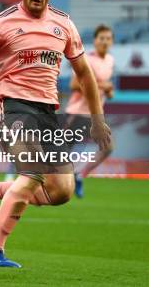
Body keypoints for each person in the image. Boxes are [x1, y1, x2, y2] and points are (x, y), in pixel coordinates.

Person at [0, 0, 111, 268]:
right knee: (32, 173)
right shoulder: (2, 22)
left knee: (62, 191)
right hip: (11, 106)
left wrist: (97, 120)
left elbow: (85, 75)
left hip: (47, 113)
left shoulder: (64, 24)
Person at [65, 24, 115, 198]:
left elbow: (104, 89)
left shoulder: (109, 60)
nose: (105, 42)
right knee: (62, 152)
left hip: (96, 114)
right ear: (95, 41)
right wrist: (103, 85)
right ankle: (43, 181)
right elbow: (73, 85)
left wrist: (109, 91)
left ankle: (78, 174)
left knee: (108, 147)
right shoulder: (87, 59)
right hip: (77, 113)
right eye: (101, 38)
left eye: (108, 38)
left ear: (112, 41)